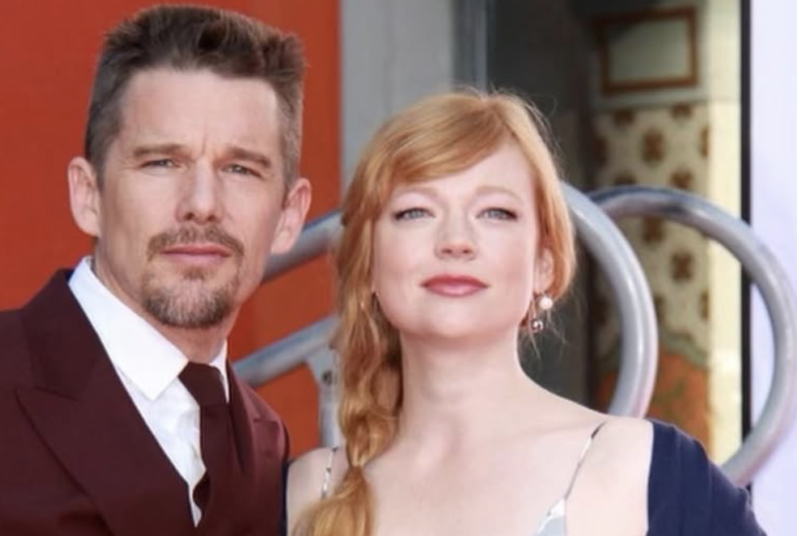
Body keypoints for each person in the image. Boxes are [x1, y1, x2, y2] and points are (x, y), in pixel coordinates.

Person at [0, 5, 311, 536]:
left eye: (240, 168)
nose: (202, 203)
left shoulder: (263, 442)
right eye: (161, 162)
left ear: (288, 216)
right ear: (88, 196)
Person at [286, 90, 763, 536]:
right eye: (415, 212)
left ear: (544, 265)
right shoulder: (308, 491)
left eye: (495, 212)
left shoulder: (646, 470)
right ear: (367, 263)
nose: (456, 240)